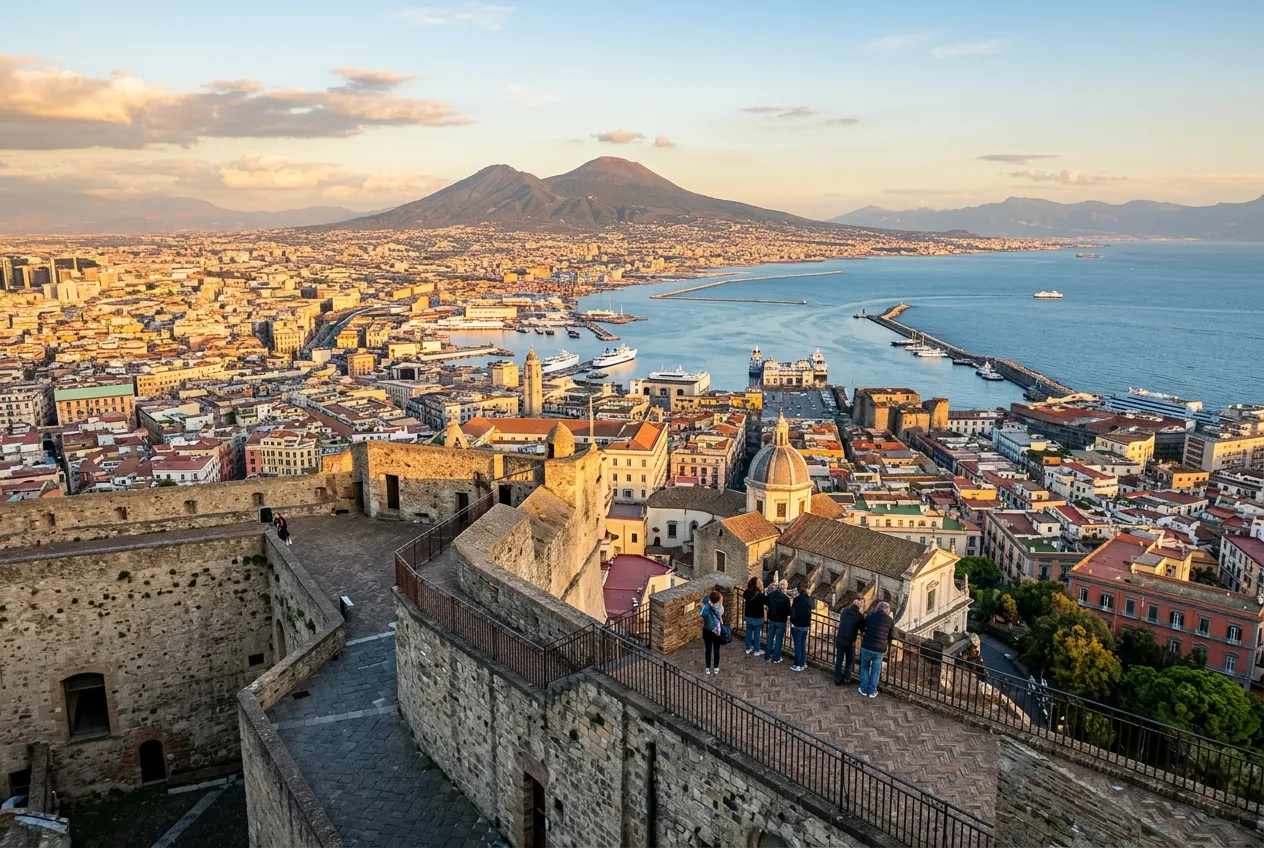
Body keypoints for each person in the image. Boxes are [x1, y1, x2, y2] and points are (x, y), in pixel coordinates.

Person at [858, 601, 894, 699]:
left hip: (867, 645)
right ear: (885, 609)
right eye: (889, 609)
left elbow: (862, 627)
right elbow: (891, 636)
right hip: (879, 649)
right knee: (876, 670)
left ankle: (863, 689)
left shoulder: (870, 616)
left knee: (864, 667)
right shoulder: (890, 621)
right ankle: (872, 691)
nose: (889, 611)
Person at [834, 598, 866, 685]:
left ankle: (837, 679)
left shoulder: (844, 611)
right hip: (849, 641)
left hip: (840, 638)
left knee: (839, 660)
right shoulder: (860, 616)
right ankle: (847, 678)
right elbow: (862, 629)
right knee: (850, 660)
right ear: (859, 606)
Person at [764, 580, 791, 664]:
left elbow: (766, 602)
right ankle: (776, 658)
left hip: (772, 619)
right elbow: (788, 612)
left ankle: (767, 656)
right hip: (781, 621)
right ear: (785, 587)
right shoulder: (786, 599)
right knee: (778, 640)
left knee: (770, 639)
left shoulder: (770, 595)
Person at [789, 583, 813, 671]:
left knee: (798, 646)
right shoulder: (809, 600)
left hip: (797, 626)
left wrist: (793, 622)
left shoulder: (797, 600)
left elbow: (794, 612)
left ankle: (797, 664)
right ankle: (803, 663)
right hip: (806, 625)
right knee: (802, 645)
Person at [700, 590, 725, 675]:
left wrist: (707, 604)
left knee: (708, 649)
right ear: (718, 600)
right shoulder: (720, 607)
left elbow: (702, 614)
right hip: (717, 630)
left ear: (710, 599)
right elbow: (720, 613)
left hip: (707, 630)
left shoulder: (706, 607)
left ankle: (708, 667)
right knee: (716, 649)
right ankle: (716, 667)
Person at [743, 577, 767, 656]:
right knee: (757, 634)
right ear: (756, 584)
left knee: (748, 632)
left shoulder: (746, 592)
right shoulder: (760, 595)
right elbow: (766, 602)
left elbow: (745, 596)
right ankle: (757, 650)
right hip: (757, 616)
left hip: (748, 615)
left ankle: (747, 648)